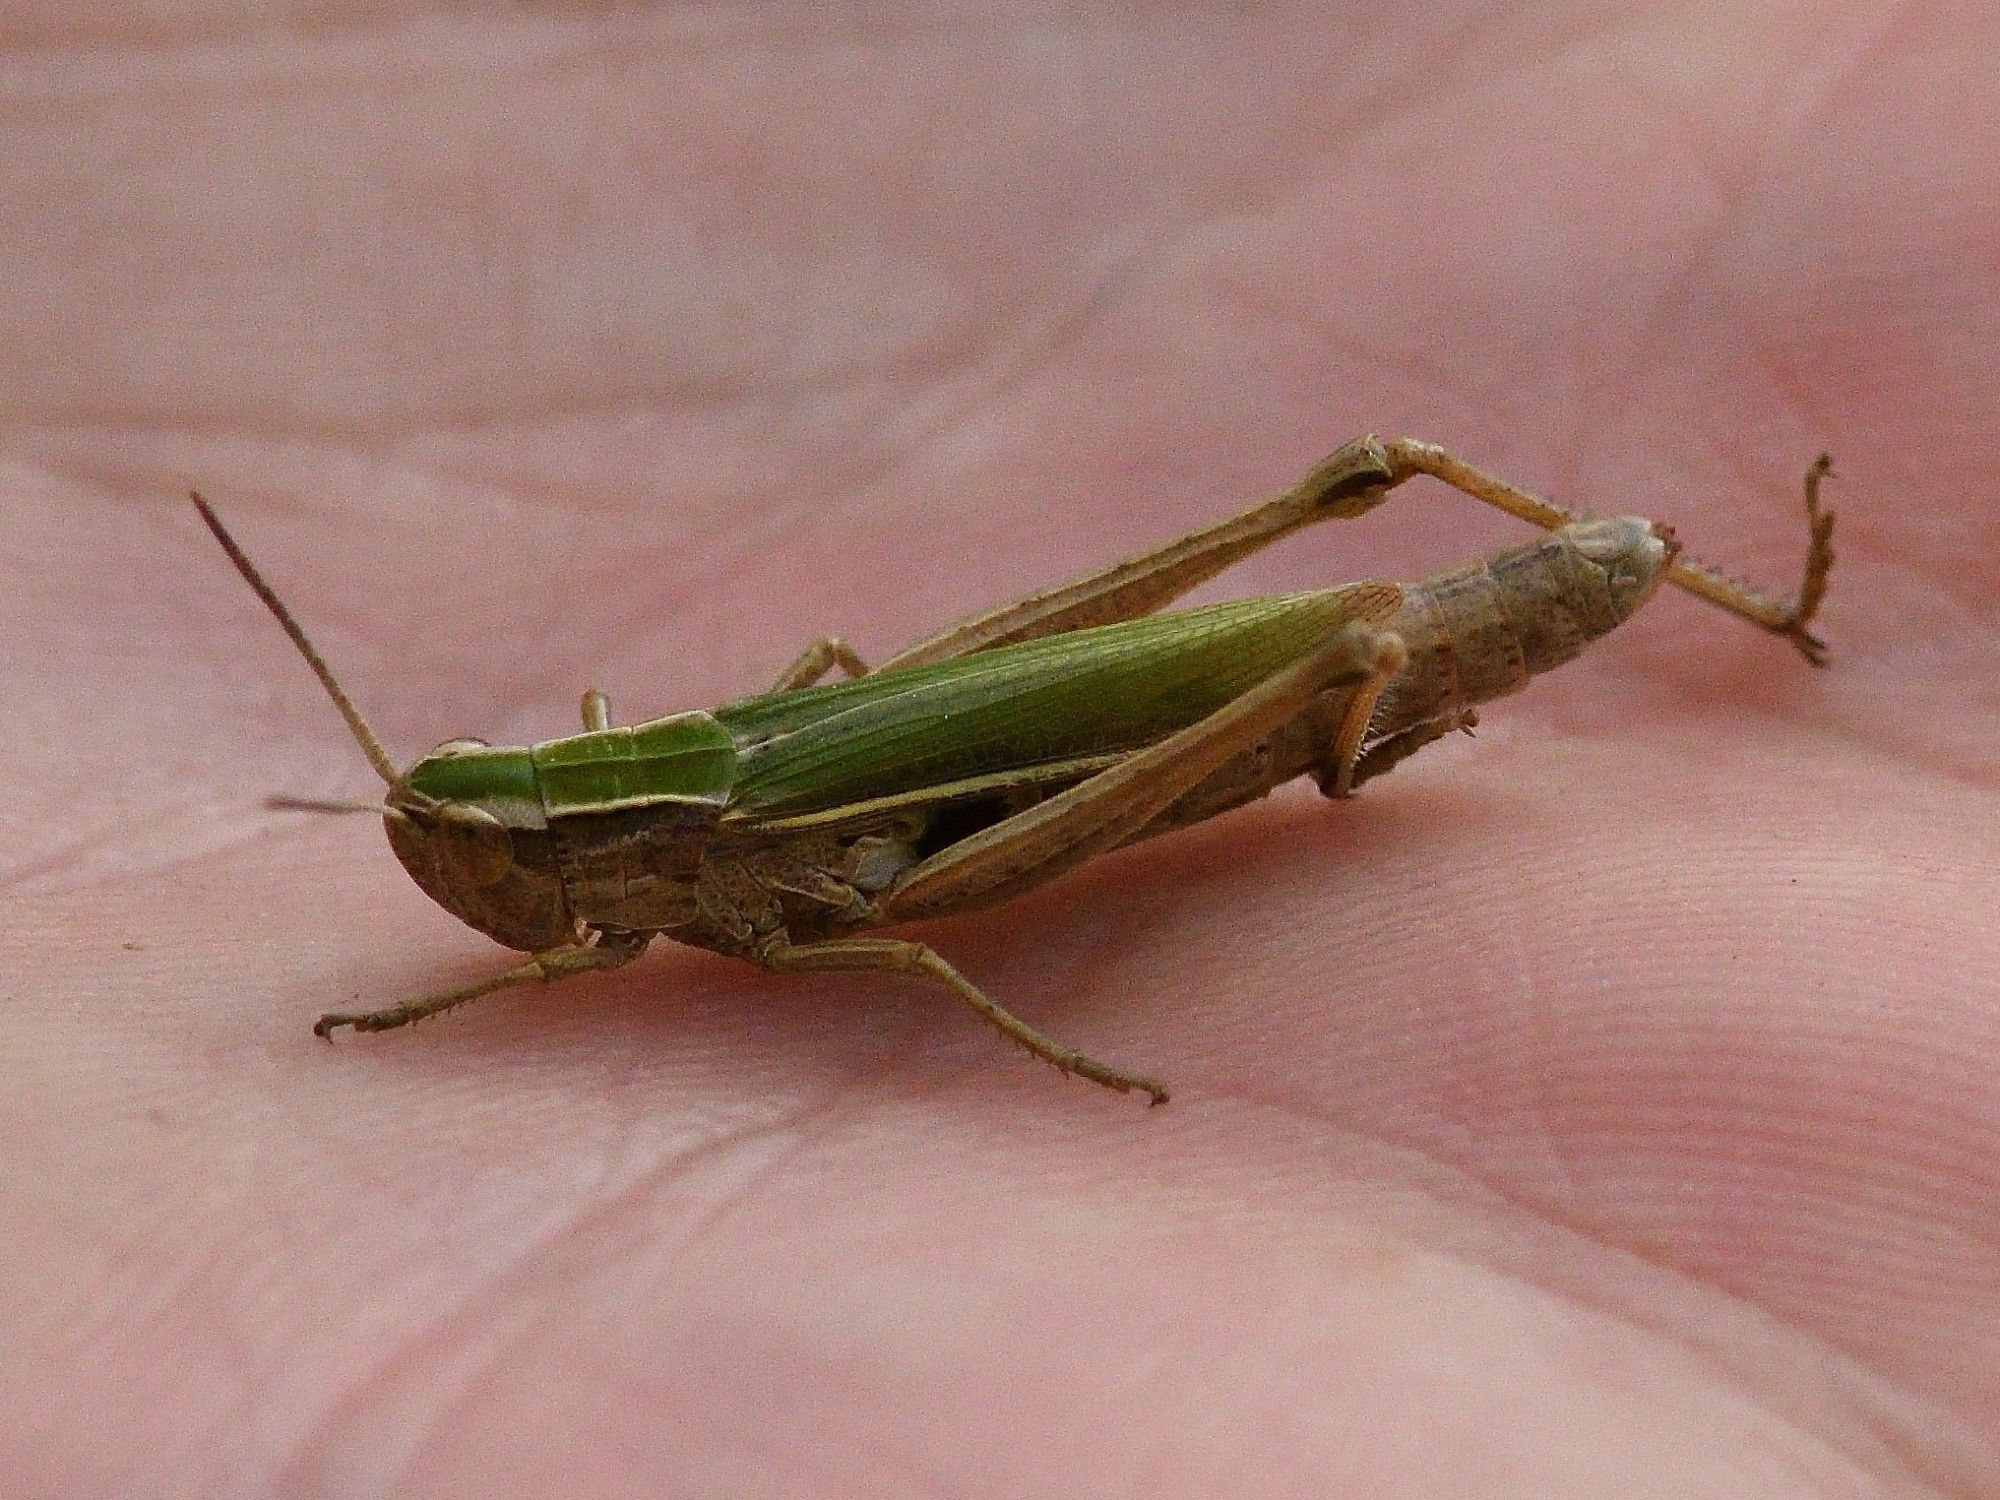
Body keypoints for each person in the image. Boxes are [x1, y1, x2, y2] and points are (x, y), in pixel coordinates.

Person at [6, 5, 1996, 1493]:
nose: (484, 885)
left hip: (968, 808)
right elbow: (586, 943)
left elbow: (898, 932)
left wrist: (1022, 1033)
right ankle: (1478, 647)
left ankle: (1468, 664)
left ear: (573, 840)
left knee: (1345, 559)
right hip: (898, 771)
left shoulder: (678, 875)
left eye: (497, 859)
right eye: (478, 856)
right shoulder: (615, 846)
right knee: (1027, 661)